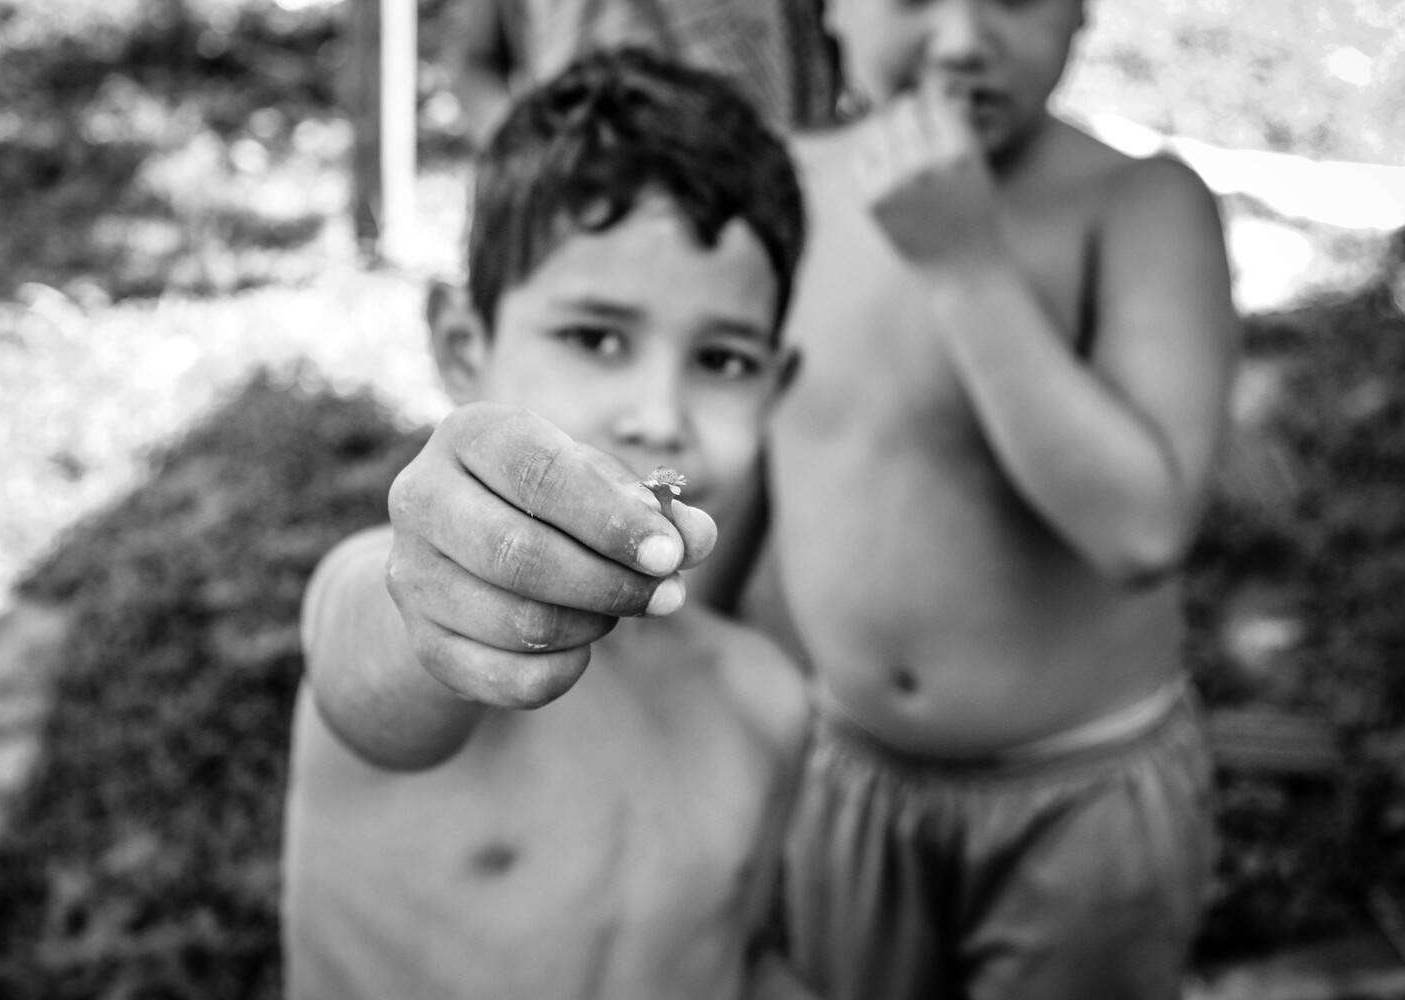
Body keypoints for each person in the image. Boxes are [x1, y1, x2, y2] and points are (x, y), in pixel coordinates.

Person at [360, 0, 1240, 998]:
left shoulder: (1140, 203)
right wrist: (668, 635)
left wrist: (964, 262)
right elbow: (754, 463)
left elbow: (1142, 529)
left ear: (1081, 12)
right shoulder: (785, 191)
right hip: (848, 774)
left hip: (1080, 797)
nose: (961, 42)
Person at [281, 48, 822, 1000]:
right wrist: (429, 603)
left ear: (777, 388)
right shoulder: (402, 604)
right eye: (597, 338)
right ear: (463, 347)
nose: (658, 414)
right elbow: (371, 645)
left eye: (724, 359)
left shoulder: (768, 705)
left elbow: (735, 958)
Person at [445, 0, 839, 142]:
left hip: (752, 185)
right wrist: (530, 153)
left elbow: (844, 38)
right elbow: (474, 64)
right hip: (586, 190)